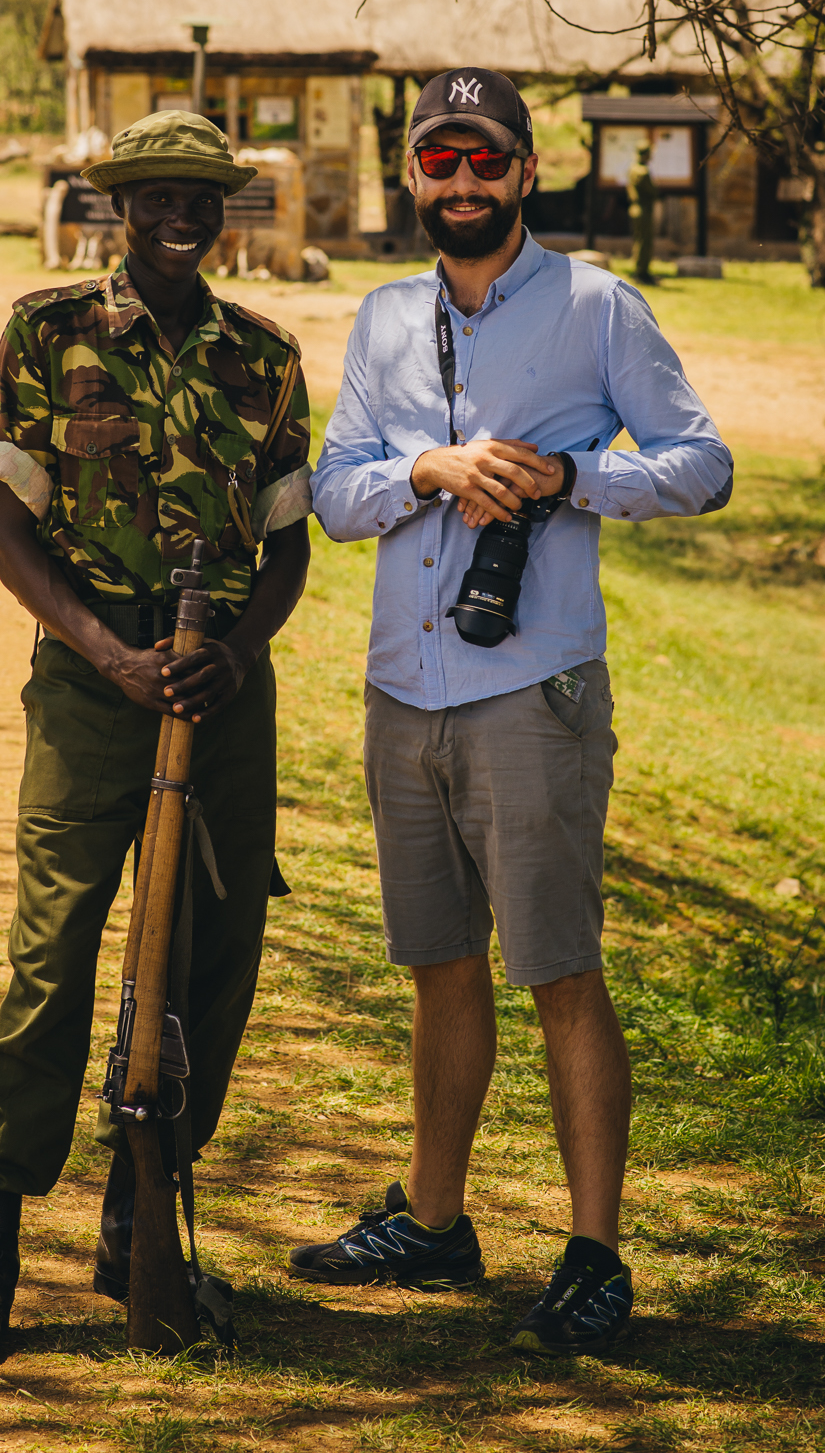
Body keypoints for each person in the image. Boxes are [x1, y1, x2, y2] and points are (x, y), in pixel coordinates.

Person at [297, 68, 731, 1355]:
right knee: (436, 963)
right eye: (439, 162)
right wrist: (422, 469)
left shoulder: (596, 306)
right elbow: (329, 489)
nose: (461, 183)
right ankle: (434, 1220)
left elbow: (700, 461)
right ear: (413, 174)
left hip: (530, 690)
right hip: (402, 684)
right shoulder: (379, 318)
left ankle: (594, 1252)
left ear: (526, 170)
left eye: (484, 160)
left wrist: (569, 476)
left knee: (556, 967)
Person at [0, 111, 313, 1369]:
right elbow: (11, 532)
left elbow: (288, 541)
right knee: (53, 952)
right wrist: (110, 653)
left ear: (223, 207)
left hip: (219, 682)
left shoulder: (266, 354)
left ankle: (140, 1217)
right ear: (118, 204)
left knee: (209, 956)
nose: (181, 215)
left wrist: (234, 650)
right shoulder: (47, 331)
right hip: (96, 675)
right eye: (156, 194)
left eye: (202, 194)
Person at [627, 143, 656, 284]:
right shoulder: (643, 172)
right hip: (643, 209)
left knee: (639, 240)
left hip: (635, 208)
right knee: (645, 241)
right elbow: (652, 191)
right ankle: (642, 272)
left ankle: (639, 269)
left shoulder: (633, 169)